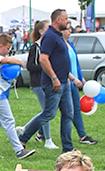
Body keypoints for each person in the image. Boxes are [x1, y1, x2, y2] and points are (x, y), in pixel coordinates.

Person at [17, 9, 74, 154]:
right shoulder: (49, 36)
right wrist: (54, 78)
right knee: (49, 113)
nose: (67, 22)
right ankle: (23, 138)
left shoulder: (58, 35)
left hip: (64, 82)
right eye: (65, 19)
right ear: (58, 20)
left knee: (68, 114)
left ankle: (68, 148)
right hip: (53, 83)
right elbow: (43, 59)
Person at [0, 34, 34, 159]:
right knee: (9, 121)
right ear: (0, 46)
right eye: (7, 48)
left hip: (1, 92)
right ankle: (19, 150)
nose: (8, 52)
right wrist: (20, 62)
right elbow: (7, 61)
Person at [23, 21, 58, 150]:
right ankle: (47, 139)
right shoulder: (35, 47)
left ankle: (26, 129)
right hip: (37, 83)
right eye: (48, 28)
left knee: (47, 111)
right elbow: (30, 66)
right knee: (47, 111)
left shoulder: (46, 46)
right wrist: (44, 67)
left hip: (45, 83)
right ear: (41, 32)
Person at [63, 25, 99, 145]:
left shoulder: (70, 44)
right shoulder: (60, 46)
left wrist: (80, 77)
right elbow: (61, 66)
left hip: (73, 83)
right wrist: (73, 79)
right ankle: (36, 133)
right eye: (67, 29)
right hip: (66, 82)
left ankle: (82, 136)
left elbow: (75, 63)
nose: (70, 32)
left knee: (75, 109)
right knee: (50, 112)